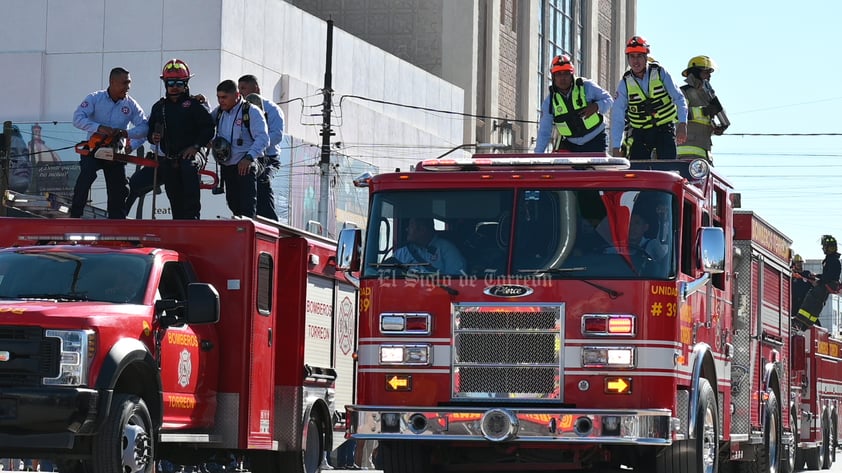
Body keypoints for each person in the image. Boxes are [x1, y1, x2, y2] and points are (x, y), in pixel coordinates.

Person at [139, 59, 215, 220]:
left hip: (194, 153)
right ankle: (178, 222)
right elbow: (150, 131)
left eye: (179, 83)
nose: (174, 86)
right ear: (165, 84)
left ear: (186, 84)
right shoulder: (159, 107)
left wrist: (195, 147)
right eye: (171, 82)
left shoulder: (194, 105)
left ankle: (193, 219)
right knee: (173, 193)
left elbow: (208, 128)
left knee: (188, 168)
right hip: (169, 157)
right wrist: (153, 137)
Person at [71, 67, 147, 219]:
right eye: (124, 83)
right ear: (112, 82)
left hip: (115, 154)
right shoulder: (94, 98)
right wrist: (99, 128)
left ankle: (116, 224)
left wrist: (128, 139)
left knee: (119, 190)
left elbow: (145, 128)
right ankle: (75, 216)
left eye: (129, 83)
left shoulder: (131, 104)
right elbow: (77, 118)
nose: (128, 87)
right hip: (93, 150)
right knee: (86, 176)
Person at [610, 36, 688, 160]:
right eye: (632, 56)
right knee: (637, 168)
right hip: (641, 132)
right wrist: (616, 147)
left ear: (646, 56)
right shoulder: (624, 83)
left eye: (639, 56)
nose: (635, 61)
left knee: (668, 165)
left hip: (664, 129)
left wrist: (682, 124)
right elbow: (617, 116)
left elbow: (679, 98)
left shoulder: (660, 72)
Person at [210, 79, 269, 218]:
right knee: (233, 204)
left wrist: (249, 158)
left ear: (236, 95)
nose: (221, 101)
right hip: (227, 165)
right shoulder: (219, 112)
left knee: (247, 207)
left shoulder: (251, 111)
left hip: (246, 165)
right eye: (218, 97)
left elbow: (263, 138)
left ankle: (248, 231)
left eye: (224, 97)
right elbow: (205, 125)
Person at [535, 54, 613, 153]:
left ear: (572, 74)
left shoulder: (587, 86)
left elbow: (609, 99)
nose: (562, 78)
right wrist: (538, 155)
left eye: (566, 73)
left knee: (595, 168)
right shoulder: (549, 102)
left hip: (596, 140)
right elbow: (544, 131)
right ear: (553, 76)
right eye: (558, 74)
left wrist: (597, 106)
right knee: (564, 166)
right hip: (571, 144)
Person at [237, 75, 285, 220]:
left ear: (256, 88)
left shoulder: (272, 109)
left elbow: (277, 135)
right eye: (239, 89)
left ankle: (270, 220)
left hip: (268, 158)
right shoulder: (239, 109)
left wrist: (259, 144)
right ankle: (247, 216)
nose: (241, 92)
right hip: (246, 157)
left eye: (244, 88)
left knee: (263, 181)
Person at [677, 56, 729, 162]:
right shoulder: (683, 92)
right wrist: (703, 111)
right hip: (686, 152)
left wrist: (717, 128)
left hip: (704, 153)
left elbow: (704, 122)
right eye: (706, 72)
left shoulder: (708, 95)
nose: (709, 76)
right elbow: (678, 114)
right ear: (695, 72)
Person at [796, 235, 841, 328]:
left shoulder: (832, 260)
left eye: (825, 246)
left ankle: (799, 320)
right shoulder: (832, 259)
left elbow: (829, 277)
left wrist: (819, 281)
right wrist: (817, 276)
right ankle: (807, 323)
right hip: (828, 285)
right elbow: (828, 275)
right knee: (817, 303)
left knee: (811, 296)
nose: (823, 249)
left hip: (827, 284)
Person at [393, 218, 466, 275]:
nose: (407, 229)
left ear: (422, 230)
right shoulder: (401, 253)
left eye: (411, 226)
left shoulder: (447, 250)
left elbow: (457, 279)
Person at [790, 254, 814, 319]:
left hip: (805, 302)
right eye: (798, 263)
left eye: (801, 263)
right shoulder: (791, 275)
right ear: (794, 264)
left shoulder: (807, 274)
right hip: (794, 302)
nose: (800, 265)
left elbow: (814, 284)